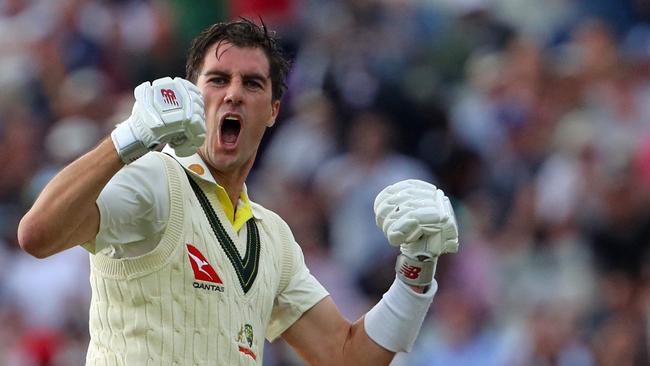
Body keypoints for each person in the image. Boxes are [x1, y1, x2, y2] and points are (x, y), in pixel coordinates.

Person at [17, 18, 459, 365]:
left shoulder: (272, 237)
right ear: (193, 94)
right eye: (217, 80)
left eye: (252, 84)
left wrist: (416, 269)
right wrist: (127, 138)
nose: (232, 95)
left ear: (272, 111)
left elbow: (346, 356)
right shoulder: (152, 176)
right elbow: (37, 235)